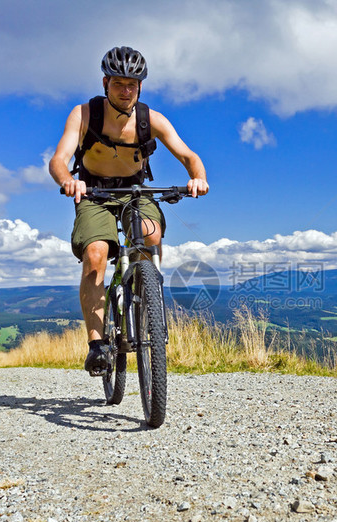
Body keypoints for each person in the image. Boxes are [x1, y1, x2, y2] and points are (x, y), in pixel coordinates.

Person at [49, 46, 209, 374]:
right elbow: (58, 160)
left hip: (134, 191)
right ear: (105, 82)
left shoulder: (151, 120)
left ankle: (142, 289)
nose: (126, 91)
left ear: (141, 86)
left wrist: (198, 177)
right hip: (93, 192)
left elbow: (189, 155)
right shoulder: (84, 115)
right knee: (95, 254)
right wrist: (69, 181)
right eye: (119, 84)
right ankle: (97, 345)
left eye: (133, 84)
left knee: (152, 237)